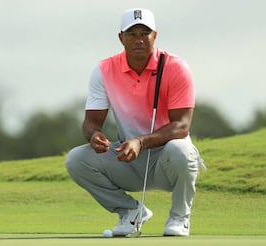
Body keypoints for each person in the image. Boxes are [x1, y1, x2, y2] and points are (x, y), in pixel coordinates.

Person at [65, 8, 204, 237]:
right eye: (131, 34)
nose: (139, 39)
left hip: (168, 161)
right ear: (121, 38)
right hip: (128, 157)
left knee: (181, 149)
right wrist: (94, 135)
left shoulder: (175, 67)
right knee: (76, 159)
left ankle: (180, 217)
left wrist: (141, 141)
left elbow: (182, 126)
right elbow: (90, 122)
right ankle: (130, 212)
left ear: (155, 36)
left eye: (144, 33)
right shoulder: (104, 70)